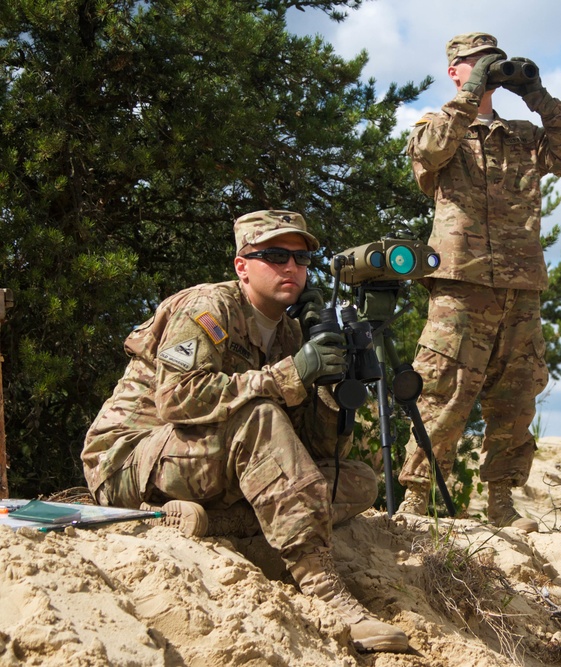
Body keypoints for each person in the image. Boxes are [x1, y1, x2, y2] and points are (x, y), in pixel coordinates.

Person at [81, 210, 409, 653]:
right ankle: (330, 596)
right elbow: (177, 398)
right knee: (259, 415)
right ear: (242, 265)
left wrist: (332, 386)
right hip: (128, 460)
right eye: (274, 255)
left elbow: (311, 451)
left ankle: (215, 524)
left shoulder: (292, 334)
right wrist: (290, 375)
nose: (291, 267)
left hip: (210, 463)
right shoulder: (207, 307)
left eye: (300, 257)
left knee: (356, 480)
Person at [397, 33, 561, 531]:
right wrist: (469, 99)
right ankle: (416, 500)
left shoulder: (524, 135)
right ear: (455, 71)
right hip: (461, 283)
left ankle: (501, 502)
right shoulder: (436, 127)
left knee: (516, 393)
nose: (487, 71)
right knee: (442, 389)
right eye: (476, 64)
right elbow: (430, 154)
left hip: (521, 285)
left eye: (495, 64)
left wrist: (539, 98)